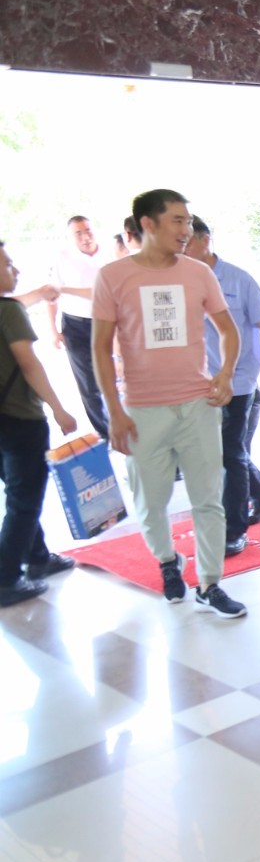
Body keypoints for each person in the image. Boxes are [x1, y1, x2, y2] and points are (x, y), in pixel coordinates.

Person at [91, 190, 246, 616]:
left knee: (207, 498)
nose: (186, 230)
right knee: (150, 502)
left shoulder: (198, 273)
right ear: (148, 224)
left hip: (197, 404)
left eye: (189, 221)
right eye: (177, 221)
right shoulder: (113, 276)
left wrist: (225, 373)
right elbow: (99, 348)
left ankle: (210, 583)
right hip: (142, 409)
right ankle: (167, 560)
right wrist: (114, 411)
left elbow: (228, 330)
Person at [182, 216, 260, 555]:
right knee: (219, 452)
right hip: (198, 381)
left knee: (230, 453)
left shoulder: (239, 280)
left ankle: (234, 530)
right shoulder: (180, 280)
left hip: (238, 381)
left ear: (205, 240)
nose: (182, 249)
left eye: (187, 241)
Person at [0, 238, 78, 607]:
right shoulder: (8, 312)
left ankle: (38, 557)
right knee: (25, 499)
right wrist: (59, 409)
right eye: (7, 264)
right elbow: (29, 364)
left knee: (17, 491)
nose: (14, 270)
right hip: (20, 419)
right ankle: (6, 577)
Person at [46, 216, 111, 438]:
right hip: (76, 326)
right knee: (88, 384)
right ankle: (106, 433)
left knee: (115, 377)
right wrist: (54, 331)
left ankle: (127, 424)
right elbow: (51, 295)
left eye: (88, 230)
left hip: (108, 323)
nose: (85, 237)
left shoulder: (110, 252)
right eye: (78, 233)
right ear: (71, 237)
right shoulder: (62, 257)